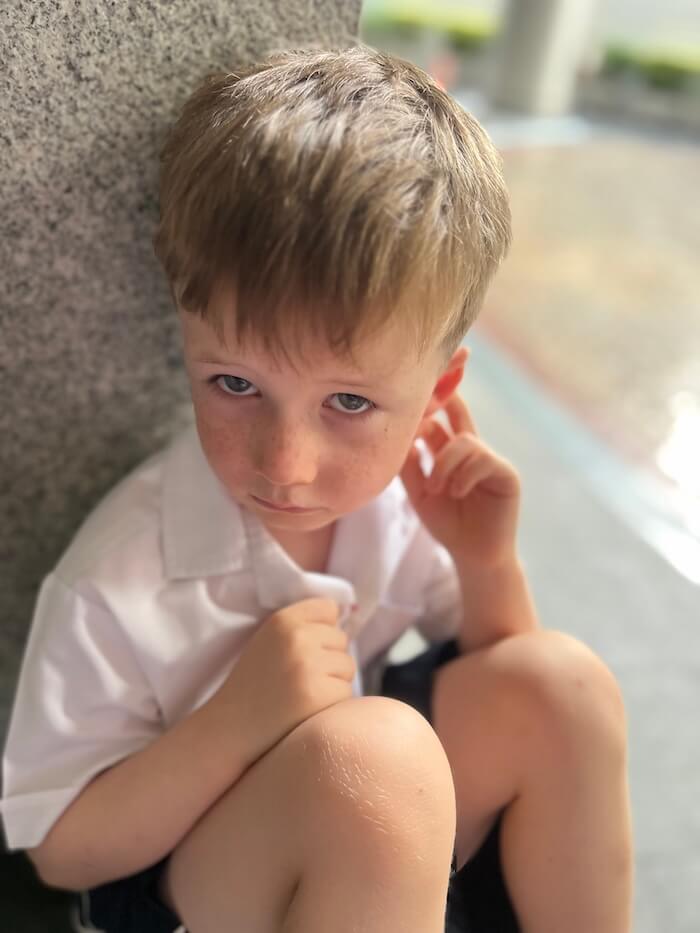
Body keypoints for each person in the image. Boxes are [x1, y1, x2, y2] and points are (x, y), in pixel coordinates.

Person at [0, 44, 633, 933]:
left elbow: (502, 667)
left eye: (348, 402)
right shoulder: (121, 577)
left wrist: (484, 560)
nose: (285, 464)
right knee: (378, 756)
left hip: (359, 827)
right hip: (181, 881)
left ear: (436, 397)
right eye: (234, 384)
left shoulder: (402, 504)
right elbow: (54, 849)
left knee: (561, 683)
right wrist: (236, 721)